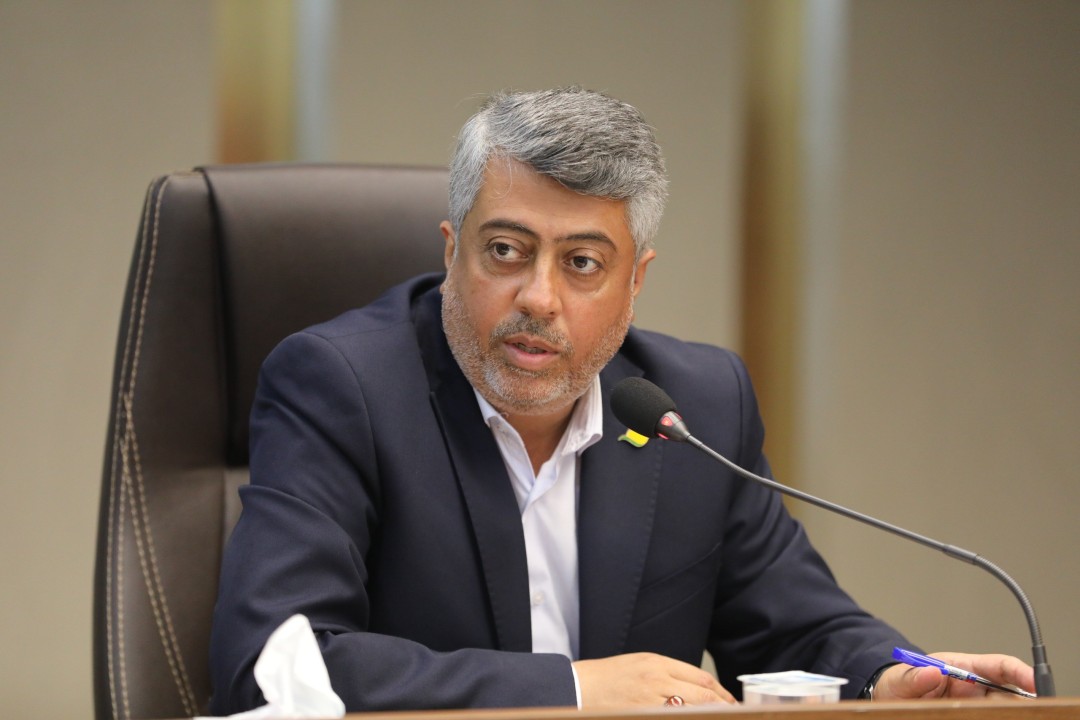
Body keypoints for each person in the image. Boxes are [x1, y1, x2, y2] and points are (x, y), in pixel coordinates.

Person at [208, 87, 1034, 714]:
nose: (539, 297)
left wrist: (893, 675)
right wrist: (572, 690)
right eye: (506, 250)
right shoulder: (340, 387)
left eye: (582, 263)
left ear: (635, 282)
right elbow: (273, 666)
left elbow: (797, 627)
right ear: (452, 251)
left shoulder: (693, 409)